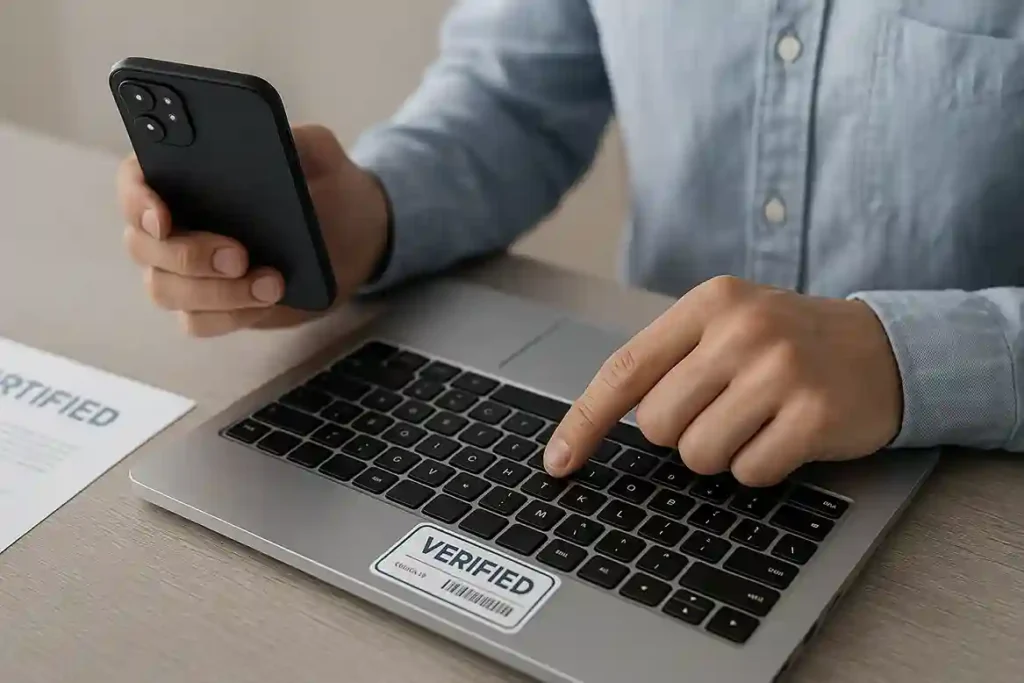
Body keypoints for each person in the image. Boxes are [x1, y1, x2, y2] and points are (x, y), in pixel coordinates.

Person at [116, 2, 1024, 488]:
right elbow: (515, 97)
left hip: (967, 494)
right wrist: (378, 212)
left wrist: (909, 359)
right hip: (656, 435)